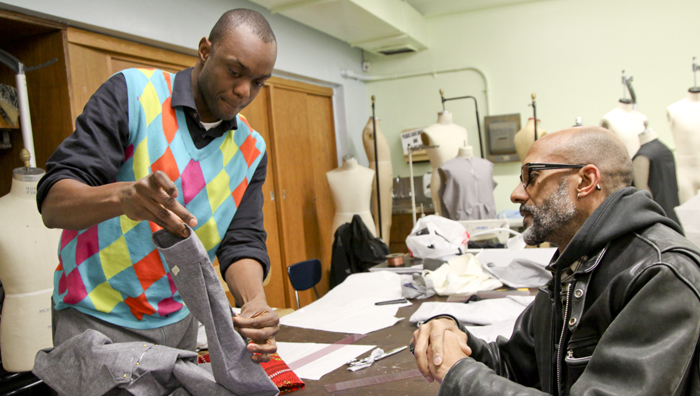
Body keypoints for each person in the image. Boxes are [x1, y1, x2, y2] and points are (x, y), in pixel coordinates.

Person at [37, 9, 279, 363]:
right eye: (235, 71)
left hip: (180, 324)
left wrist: (254, 301)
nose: (243, 90)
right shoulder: (133, 93)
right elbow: (53, 203)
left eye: (258, 82)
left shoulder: (252, 148)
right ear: (204, 50)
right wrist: (124, 196)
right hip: (96, 321)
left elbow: (241, 240)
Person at [411, 126, 700, 395]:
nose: (516, 194)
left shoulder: (661, 273)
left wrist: (461, 375)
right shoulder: (575, 261)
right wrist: (451, 334)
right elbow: (515, 366)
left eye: (531, 177)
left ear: (586, 181)